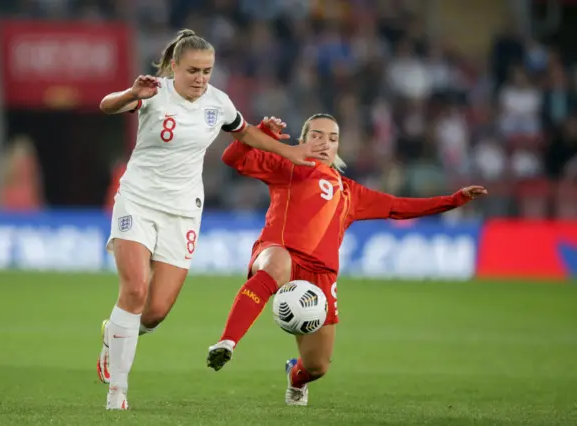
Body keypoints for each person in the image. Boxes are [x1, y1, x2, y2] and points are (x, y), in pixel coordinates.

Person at [96, 29, 328, 411]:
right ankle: (117, 392)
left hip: (184, 210)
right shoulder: (154, 92)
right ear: (174, 67)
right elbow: (107, 106)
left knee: (154, 312)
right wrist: (131, 94)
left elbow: (247, 133)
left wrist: (290, 150)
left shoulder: (218, 103)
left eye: (207, 71)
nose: (201, 78)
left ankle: (115, 334)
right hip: (137, 201)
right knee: (135, 290)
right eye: (193, 71)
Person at [207, 114, 488, 406]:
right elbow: (232, 157)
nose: (324, 142)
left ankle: (296, 377)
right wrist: (263, 132)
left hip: (320, 276)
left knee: (317, 366)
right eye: (316, 135)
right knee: (274, 264)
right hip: (281, 250)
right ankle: (227, 342)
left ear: (338, 146)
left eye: (331, 138)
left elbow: (399, 207)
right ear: (303, 140)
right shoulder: (288, 165)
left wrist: (453, 200)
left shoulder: (350, 192)